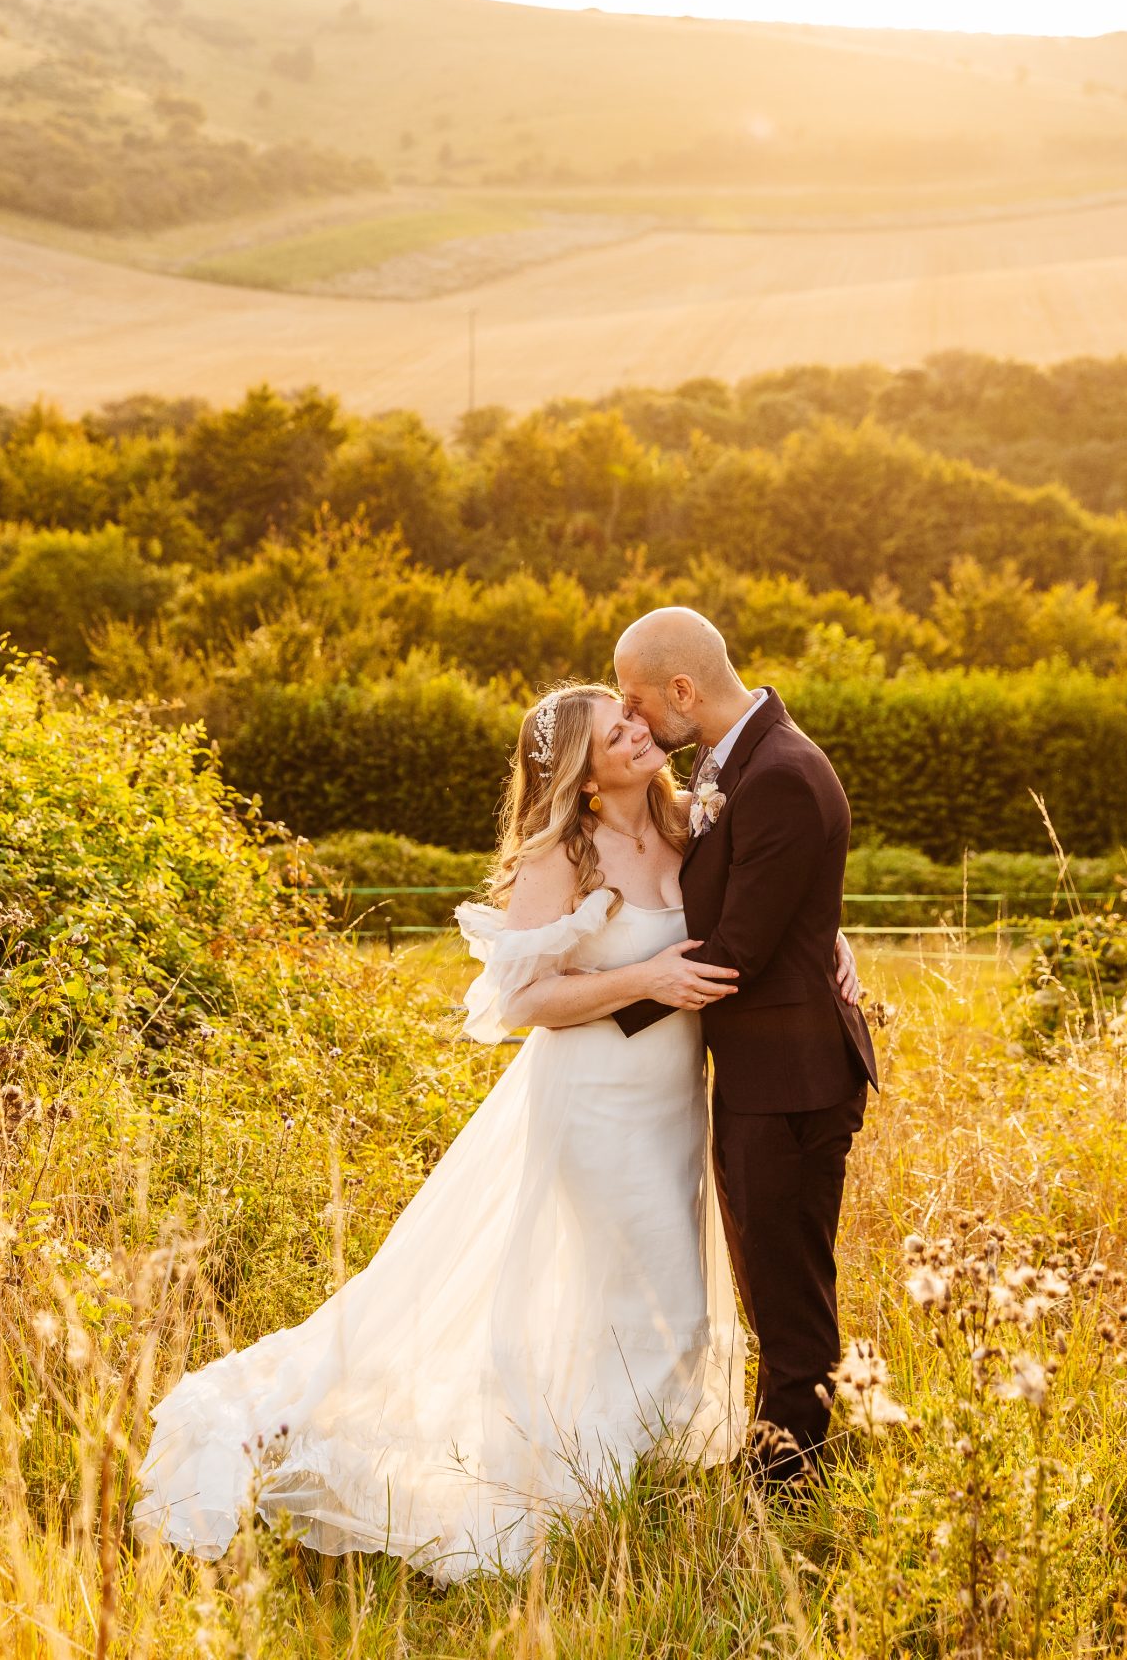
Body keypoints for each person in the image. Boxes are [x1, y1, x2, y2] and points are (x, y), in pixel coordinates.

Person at [132, 683, 751, 1582]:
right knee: (662, 1307)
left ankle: (621, 1477)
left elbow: (765, 895)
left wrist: (829, 945)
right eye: (615, 731)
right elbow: (520, 1002)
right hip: (594, 1107)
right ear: (582, 777)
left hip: (673, 1104)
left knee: (654, 1302)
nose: (639, 729)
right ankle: (596, 1498)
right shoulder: (560, 856)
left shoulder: (691, 820)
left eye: (631, 716)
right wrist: (646, 978)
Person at [611, 605, 878, 1486]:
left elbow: (739, 952)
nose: (632, 719)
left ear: (684, 689)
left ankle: (792, 1478)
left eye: (638, 701)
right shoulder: (732, 763)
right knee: (768, 1273)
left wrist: (592, 1014)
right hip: (762, 1071)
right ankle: (781, 1449)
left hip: (793, 1076)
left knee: (788, 1283)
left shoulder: (782, 774)